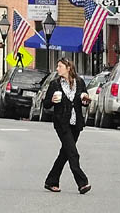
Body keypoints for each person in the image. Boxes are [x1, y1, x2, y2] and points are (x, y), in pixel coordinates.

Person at [43, 58, 91, 194]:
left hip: (76, 124)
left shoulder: (80, 82)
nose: (57, 69)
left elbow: (84, 100)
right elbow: (46, 104)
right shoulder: (54, 84)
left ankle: (51, 181)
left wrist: (85, 100)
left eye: (60, 66)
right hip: (61, 123)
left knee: (65, 153)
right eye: (57, 66)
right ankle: (82, 183)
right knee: (73, 153)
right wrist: (51, 100)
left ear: (68, 68)